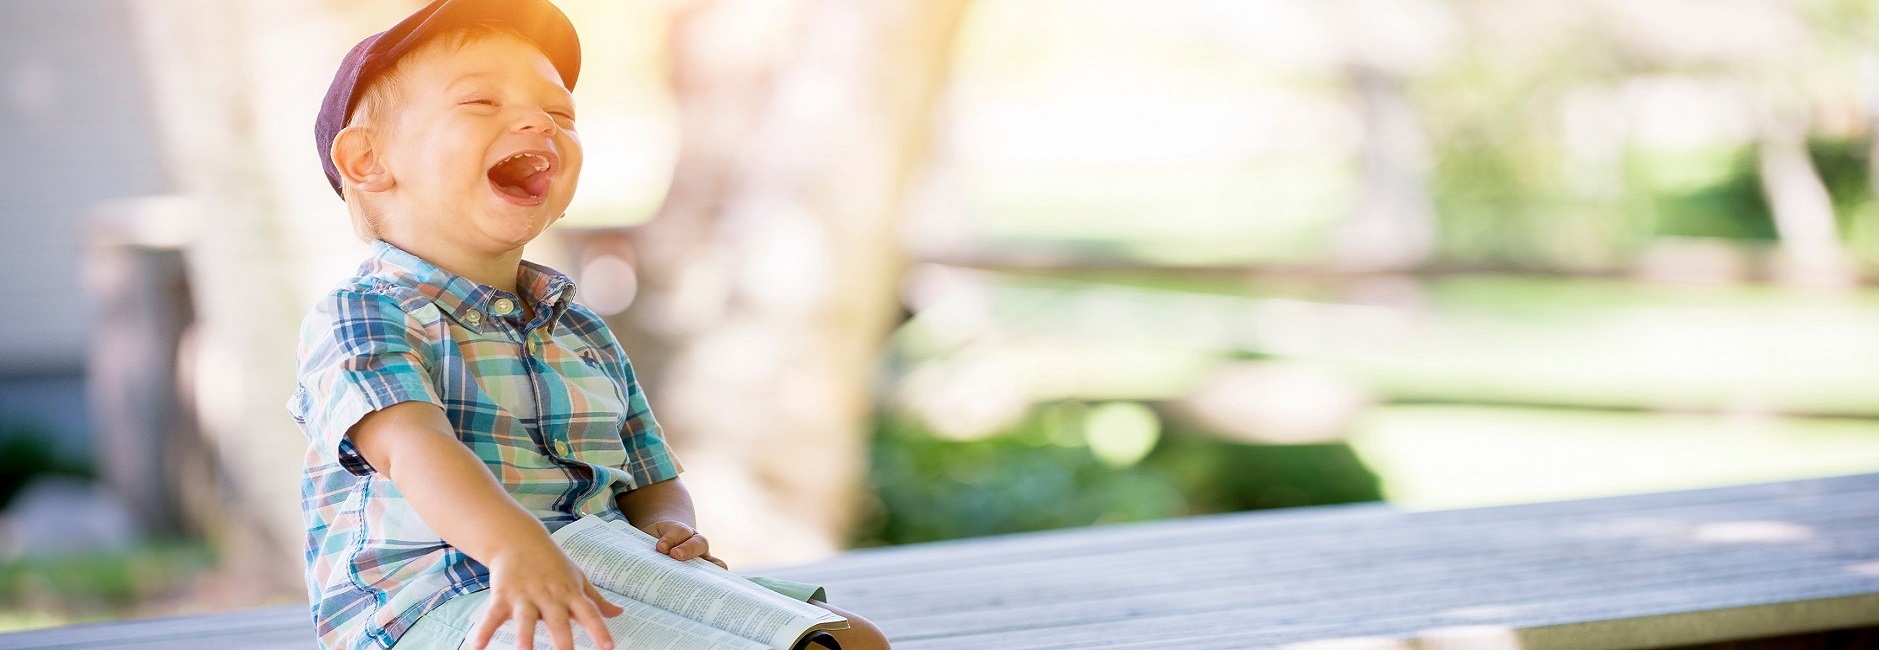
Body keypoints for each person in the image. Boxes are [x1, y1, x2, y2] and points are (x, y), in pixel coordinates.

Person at [289, 2, 890, 649]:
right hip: (442, 599)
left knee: (853, 641)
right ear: (367, 160)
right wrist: (515, 546)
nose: (537, 122)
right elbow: (414, 450)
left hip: (607, 570)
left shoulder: (580, 329)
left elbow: (650, 473)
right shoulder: (364, 314)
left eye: (560, 112)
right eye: (481, 101)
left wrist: (666, 525)